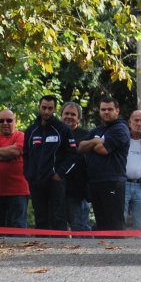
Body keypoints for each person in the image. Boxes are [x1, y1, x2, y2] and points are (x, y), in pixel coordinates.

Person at [23, 95, 77, 230]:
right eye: (44, 108)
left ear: (54, 109)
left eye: (50, 108)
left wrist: (59, 173)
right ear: (39, 107)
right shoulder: (31, 130)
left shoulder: (63, 129)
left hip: (55, 181)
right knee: (40, 219)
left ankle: (59, 249)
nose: (46, 112)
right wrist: (29, 175)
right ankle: (40, 248)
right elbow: (26, 155)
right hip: (36, 181)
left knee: (58, 218)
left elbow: (73, 154)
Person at [78, 97, 130, 231]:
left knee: (114, 223)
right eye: (103, 109)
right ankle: (103, 251)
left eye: (110, 109)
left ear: (117, 111)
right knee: (101, 223)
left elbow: (103, 149)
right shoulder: (98, 130)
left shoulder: (121, 129)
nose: (106, 112)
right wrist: (97, 141)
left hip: (112, 181)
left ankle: (118, 251)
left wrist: (94, 143)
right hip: (95, 182)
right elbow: (81, 147)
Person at [0, 110, 29, 227]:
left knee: (18, 227)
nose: (5, 123)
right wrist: (7, 155)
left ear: (15, 121)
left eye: (9, 120)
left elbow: (15, 151)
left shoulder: (22, 136)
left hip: (18, 191)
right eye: (1, 121)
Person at [61, 102, 92, 231]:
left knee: (79, 226)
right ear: (61, 116)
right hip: (56, 189)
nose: (69, 117)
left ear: (78, 119)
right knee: (57, 227)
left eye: (73, 115)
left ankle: (86, 250)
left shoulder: (86, 136)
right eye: (66, 113)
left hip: (77, 191)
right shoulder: (55, 133)